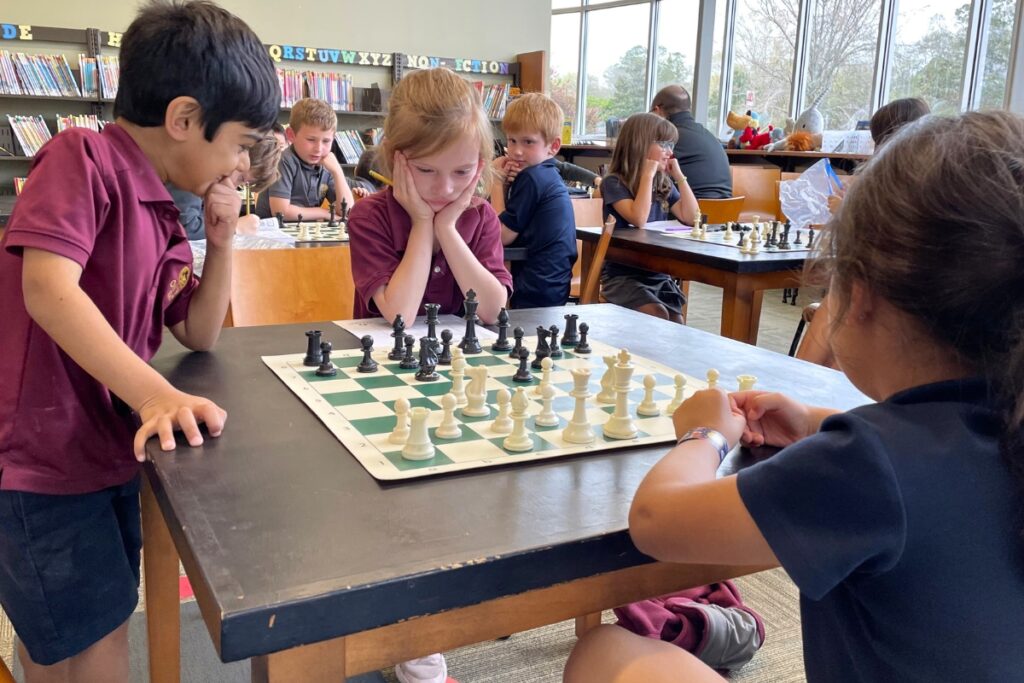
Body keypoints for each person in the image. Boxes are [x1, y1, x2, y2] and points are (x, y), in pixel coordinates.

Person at [565, 110, 1024, 682]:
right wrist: (815, 422)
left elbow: (656, 521)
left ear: (858, 296)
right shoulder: (998, 423)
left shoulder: (868, 464)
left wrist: (704, 433)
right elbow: (935, 456)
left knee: (604, 653)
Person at [0, 2, 279, 680]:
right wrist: (156, 393)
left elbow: (200, 329)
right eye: (240, 142)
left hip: (99, 452)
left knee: (76, 630)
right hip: (42, 462)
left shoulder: (160, 213)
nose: (242, 162)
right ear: (184, 119)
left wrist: (220, 241)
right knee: (92, 648)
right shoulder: (82, 157)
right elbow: (48, 289)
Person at [348, 67, 512, 328]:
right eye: (426, 169)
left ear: (480, 165)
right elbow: (401, 315)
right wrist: (423, 223)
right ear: (393, 156)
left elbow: (493, 312)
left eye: (462, 171)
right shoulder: (368, 216)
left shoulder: (481, 217)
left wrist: (446, 229)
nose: (445, 188)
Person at [801, 97, 931, 367]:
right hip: (911, 292)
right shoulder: (926, 176)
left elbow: (878, 239)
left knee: (840, 299)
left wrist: (846, 210)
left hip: (896, 293)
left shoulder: (896, 180)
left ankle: (802, 377)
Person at [599, 112, 700, 323]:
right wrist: (647, 175)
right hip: (623, 276)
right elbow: (639, 218)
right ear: (640, 144)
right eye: (663, 144)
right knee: (658, 315)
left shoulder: (663, 183)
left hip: (657, 275)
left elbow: (691, 217)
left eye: (671, 145)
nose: (669, 152)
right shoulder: (614, 183)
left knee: (676, 321)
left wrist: (679, 177)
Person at [489, 92, 576, 309]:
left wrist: (496, 182)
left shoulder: (532, 177)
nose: (516, 151)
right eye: (512, 140)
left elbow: (500, 235)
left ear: (553, 146)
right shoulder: (547, 173)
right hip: (554, 284)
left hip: (533, 286)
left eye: (528, 142)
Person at [169, 122, 286, 240]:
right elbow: (187, 228)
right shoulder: (193, 170)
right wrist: (235, 228)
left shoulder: (207, 184)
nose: (233, 187)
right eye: (241, 178)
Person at [255, 97, 355, 219]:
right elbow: (280, 212)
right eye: (311, 140)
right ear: (291, 135)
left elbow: (347, 210)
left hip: (305, 234)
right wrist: (324, 213)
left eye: (326, 141)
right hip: (275, 234)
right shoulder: (284, 160)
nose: (318, 148)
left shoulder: (327, 165)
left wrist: (337, 172)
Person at [650, 85, 731, 199]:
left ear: (657, 111)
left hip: (692, 212)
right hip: (726, 211)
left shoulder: (668, 139)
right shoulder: (709, 136)